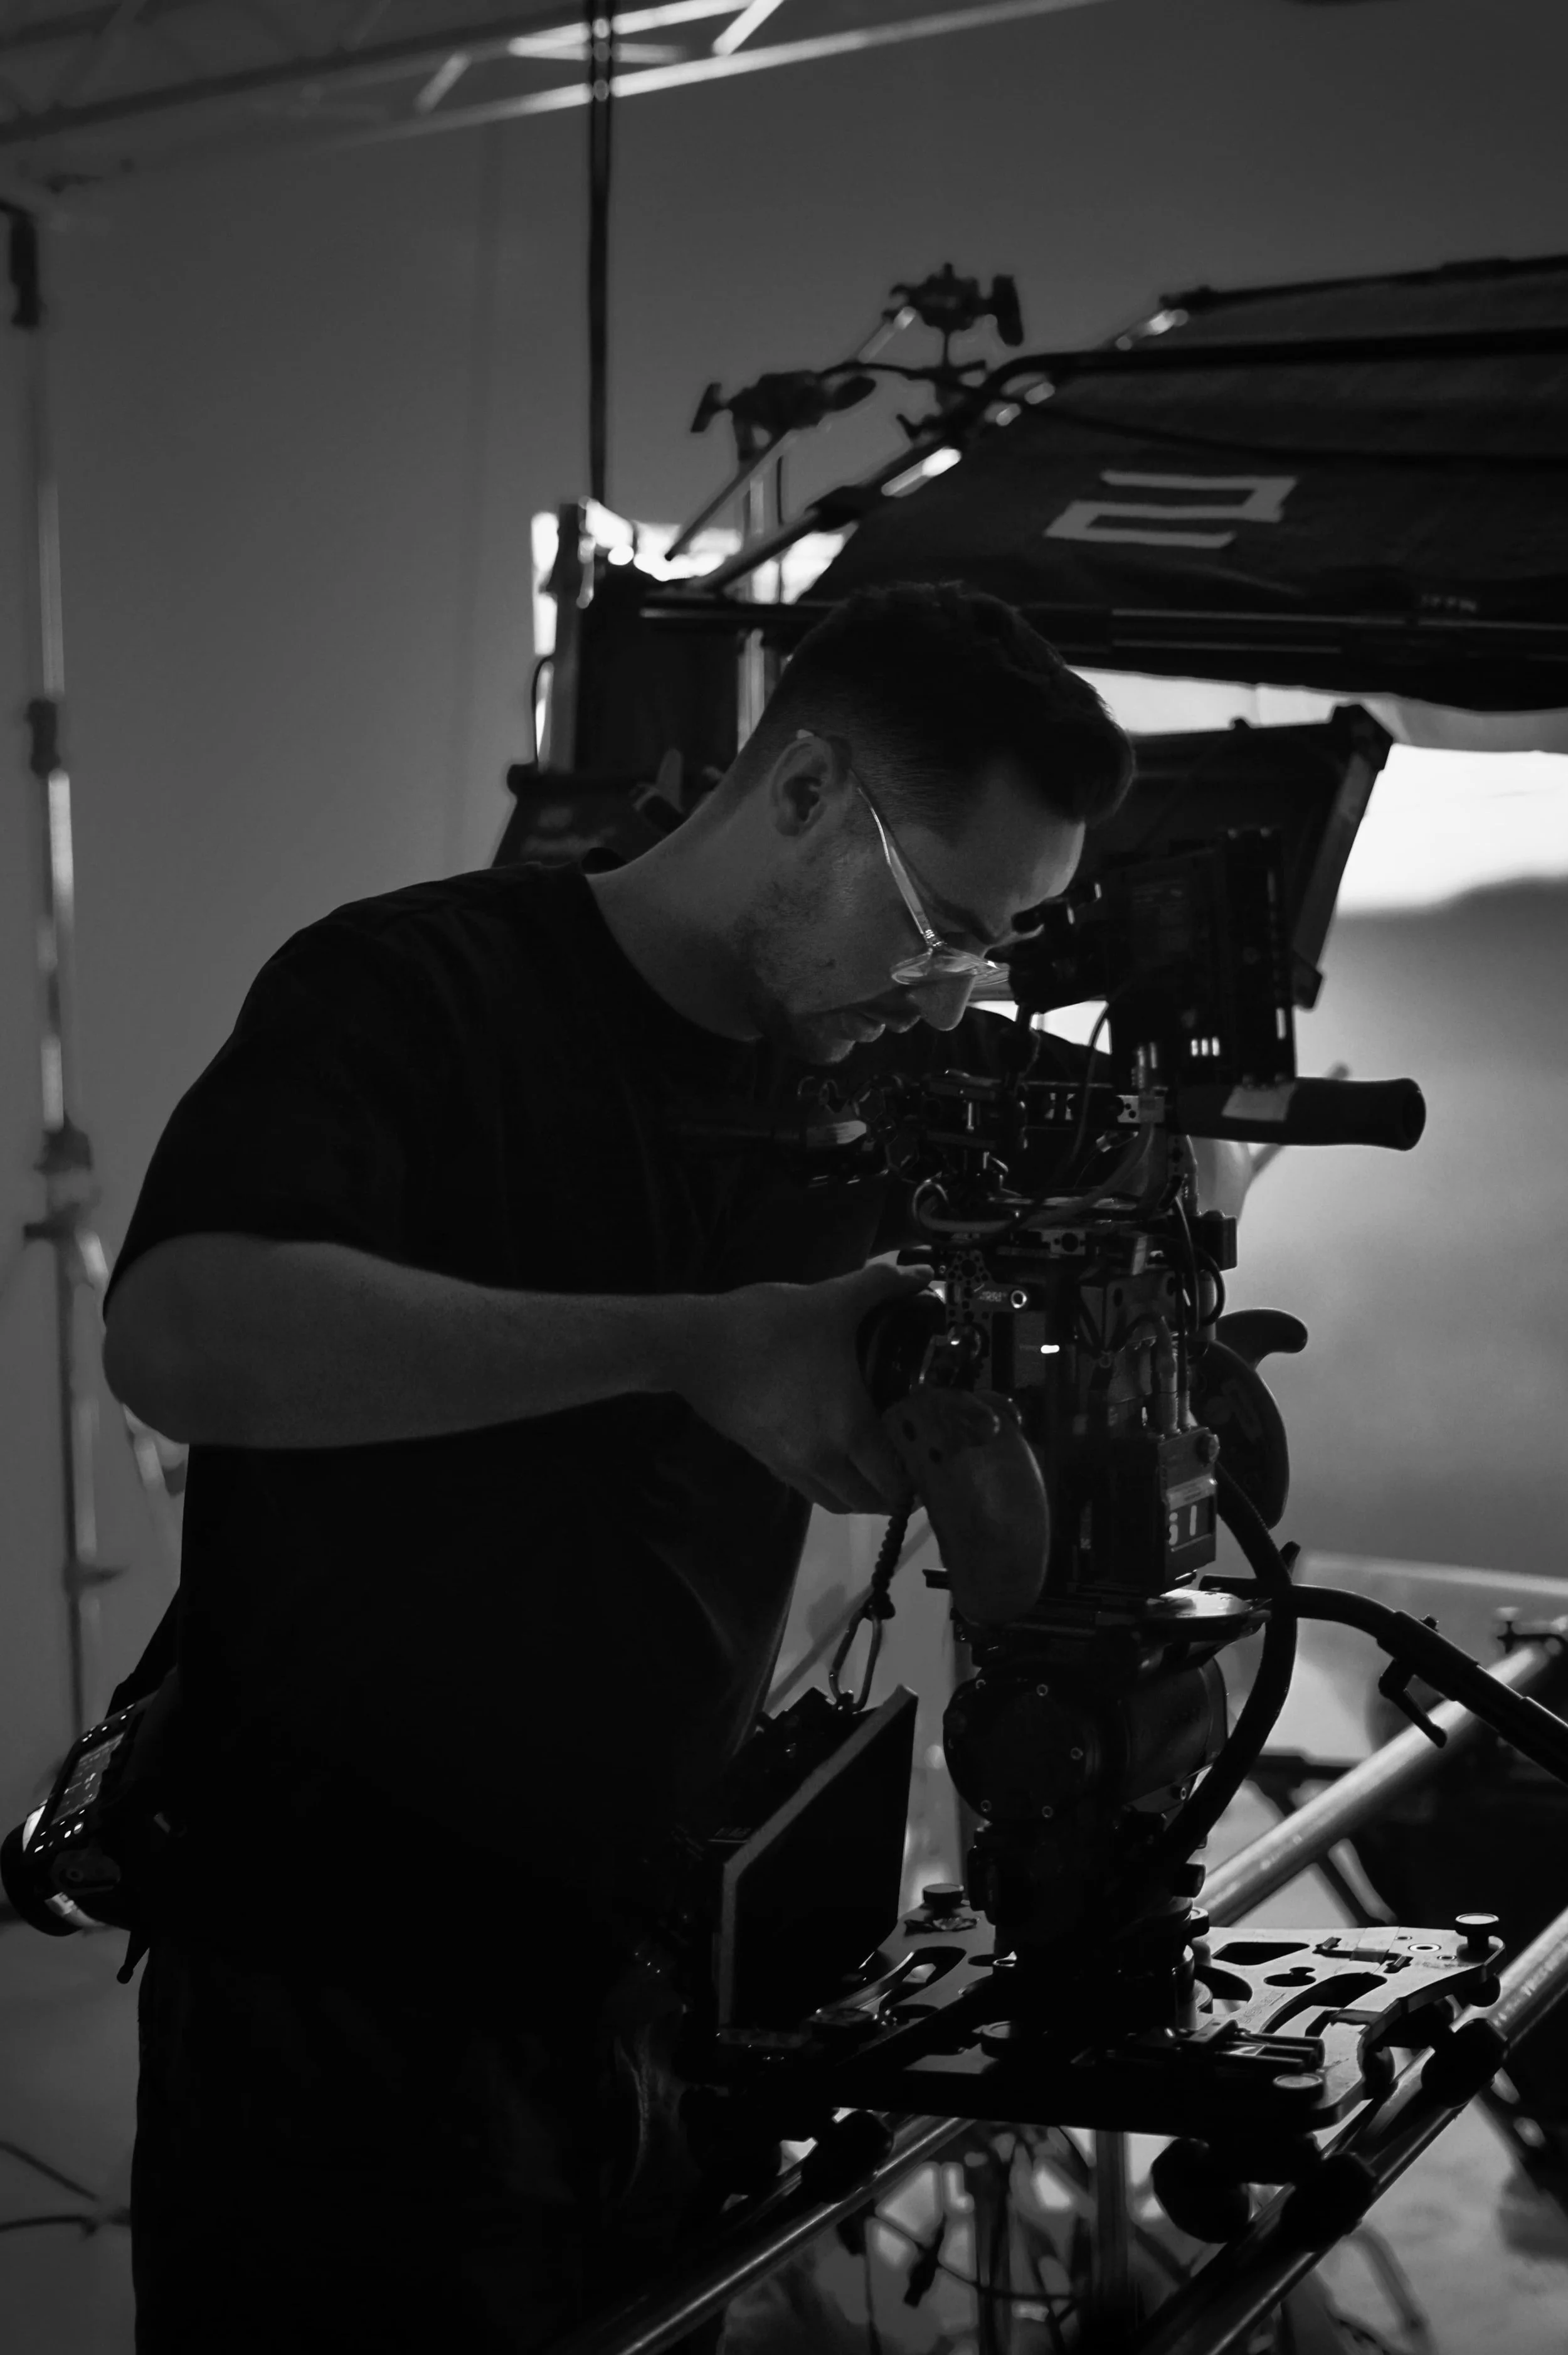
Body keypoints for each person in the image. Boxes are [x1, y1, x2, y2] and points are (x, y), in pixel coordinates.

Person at [102, 582, 1145, 2353]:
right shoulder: (421, 989)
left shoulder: (870, 1092)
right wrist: (686, 1341)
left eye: (991, 952)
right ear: (804, 794)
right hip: (337, 2008)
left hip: (654, 1998)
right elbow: (183, 1336)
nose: (944, 987)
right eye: (934, 923)